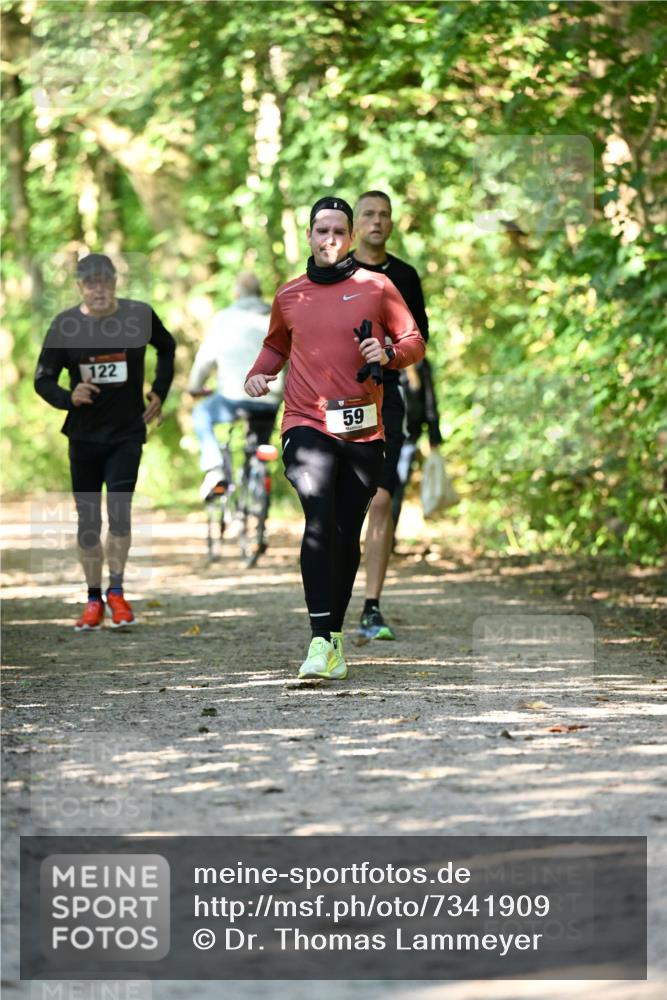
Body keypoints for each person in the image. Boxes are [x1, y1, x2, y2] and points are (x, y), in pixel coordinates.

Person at [244, 196, 424, 680]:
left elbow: (414, 342)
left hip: (364, 428)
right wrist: (259, 373)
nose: (330, 239)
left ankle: (335, 638)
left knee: (346, 531)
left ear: (351, 236)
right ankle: (319, 638)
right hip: (306, 421)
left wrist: (387, 353)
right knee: (318, 513)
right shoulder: (290, 294)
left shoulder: (377, 287)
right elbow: (276, 345)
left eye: (338, 231)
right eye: (321, 230)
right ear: (309, 236)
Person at [34, 253, 176, 630]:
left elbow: (167, 347)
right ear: (79, 286)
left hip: (126, 433)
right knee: (88, 521)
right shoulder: (65, 325)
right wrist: (68, 396)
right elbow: (43, 379)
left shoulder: (138, 316)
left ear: (115, 282)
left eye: (104, 281)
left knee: (120, 513)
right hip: (83, 436)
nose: (98, 289)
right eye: (90, 282)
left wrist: (159, 390)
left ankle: (117, 591)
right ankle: (93, 598)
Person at [352, 190, 432, 641]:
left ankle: (372, 606)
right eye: (369, 214)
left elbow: (419, 342)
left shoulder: (404, 276)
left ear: (392, 223)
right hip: (340, 400)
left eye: (384, 215)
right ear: (355, 224)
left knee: (381, 500)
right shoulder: (337, 272)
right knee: (343, 504)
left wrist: (390, 353)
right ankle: (330, 602)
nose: (377, 221)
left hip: (388, 397)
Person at [188, 272, 282, 500]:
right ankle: (255, 491)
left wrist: (195, 387)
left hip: (233, 398)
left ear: (237, 293)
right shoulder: (275, 317)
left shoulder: (224, 318)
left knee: (201, 413)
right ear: (259, 293)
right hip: (270, 398)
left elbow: (205, 359)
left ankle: (215, 468)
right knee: (259, 445)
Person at [392, 357, 443, 530]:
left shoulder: (420, 362)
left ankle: (389, 538)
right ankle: (383, 537)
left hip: (408, 438)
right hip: (383, 436)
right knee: (384, 492)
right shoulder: (378, 355)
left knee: (397, 488)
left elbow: (429, 399)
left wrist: (434, 435)